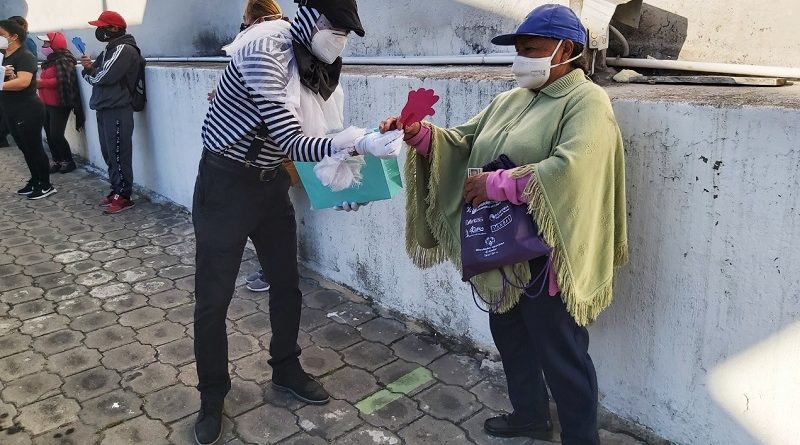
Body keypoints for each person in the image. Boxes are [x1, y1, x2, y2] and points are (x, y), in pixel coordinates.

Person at [380, 5, 628, 444]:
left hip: (549, 259)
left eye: (530, 49)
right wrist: (420, 135)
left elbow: (575, 168)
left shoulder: (587, 101)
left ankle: (581, 437)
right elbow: (462, 141)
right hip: (502, 252)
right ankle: (529, 415)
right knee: (511, 339)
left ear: (565, 49)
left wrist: (497, 184)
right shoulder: (510, 99)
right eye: (517, 49)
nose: (520, 59)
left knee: (563, 356)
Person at [191, 0, 400, 442]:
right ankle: (212, 395)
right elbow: (291, 136)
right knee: (214, 299)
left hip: (269, 184)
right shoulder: (264, 48)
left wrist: (342, 181)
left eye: (345, 31)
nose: (338, 37)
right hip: (226, 181)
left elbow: (321, 131)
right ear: (306, 16)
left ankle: (285, 366)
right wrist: (359, 142)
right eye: (332, 25)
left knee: (286, 283)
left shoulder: (318, 58)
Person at [80, 10, 143, 214]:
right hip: (105, 107)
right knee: (110, 153)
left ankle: (124, 196)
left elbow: (101, 78)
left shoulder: (123, 49)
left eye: (102, 27)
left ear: (114, 28)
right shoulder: (111, 49)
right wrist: (90, 69)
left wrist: (89, 73)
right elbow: (96, 72)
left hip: (117, 108)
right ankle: (116, 189)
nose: (99, 31)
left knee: (118, 153)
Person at [0, 20, 56, 200]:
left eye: (1, 34)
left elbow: (23, 82)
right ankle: (36, 179)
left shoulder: (24, 55)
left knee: (34, 148)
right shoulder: (4, 57)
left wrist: (1, 83)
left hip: (28, 109)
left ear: (14, 36)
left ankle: (46, 184)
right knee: (25, 148)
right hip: (11, 109)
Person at [37, 32, 84, 174]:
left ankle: (68, 161)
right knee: (49, 135)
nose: (43, 46)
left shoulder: (64, 60)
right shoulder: (49, 61)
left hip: (59, 104)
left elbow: (63, 81)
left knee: (56, 134)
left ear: (54, 44)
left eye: (46, 43)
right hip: (46, 103)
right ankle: (57, 160)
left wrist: (40, 83)